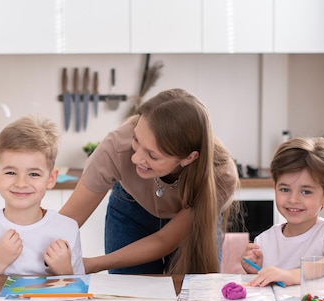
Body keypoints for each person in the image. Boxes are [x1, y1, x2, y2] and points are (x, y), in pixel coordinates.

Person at [60, 88, 239, 275]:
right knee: (129, 295)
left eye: (153, 155)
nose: (136, 158)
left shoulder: (220, 175)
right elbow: (65, 223)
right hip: (129, 208)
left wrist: (89, 265)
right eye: (136, 140)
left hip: (185, 229)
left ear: (188, 158)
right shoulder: (115, 146)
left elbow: (164, 241)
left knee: (193, 294)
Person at [0, 115, 84, 276]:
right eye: (11, 172)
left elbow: (80, 295)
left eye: (34, 174)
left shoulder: (68, 229)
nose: (21, 183)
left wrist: (65, 272)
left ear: (51, 179)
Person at [241, 137, 324, 286]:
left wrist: (292, 275)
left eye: (306, 192)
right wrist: (254, 270)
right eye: (285, 189)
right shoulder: (263, 242)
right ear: (274, 189)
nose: (293, 199)